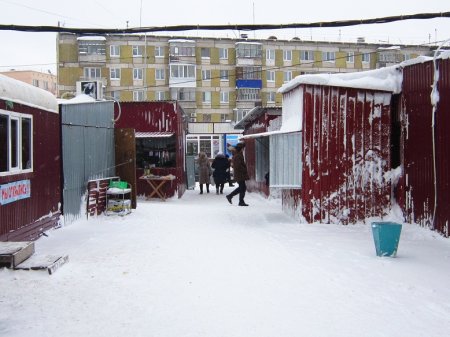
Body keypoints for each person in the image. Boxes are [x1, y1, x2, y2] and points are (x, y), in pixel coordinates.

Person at [226, 142, 249, 206]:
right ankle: (237, 199)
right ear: (241, 148)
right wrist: (244, 169)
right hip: (240, 174)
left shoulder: (237, 154)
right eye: (243, 148)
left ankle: (234, 198)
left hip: (239, 174)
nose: (243, 149)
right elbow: (237, 166)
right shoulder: (238, 155)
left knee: (242, 187)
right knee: (242, 187)